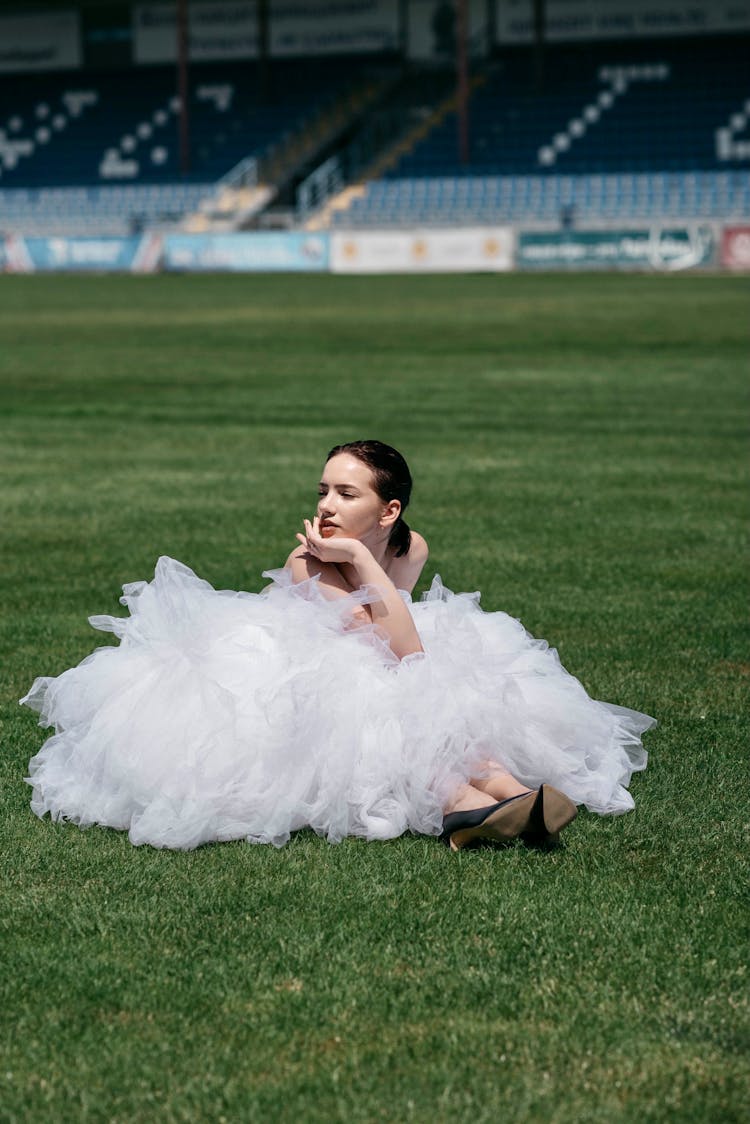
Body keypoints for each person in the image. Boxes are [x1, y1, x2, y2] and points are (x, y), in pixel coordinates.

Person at [20, 440, 653, 852]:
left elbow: (403, 644)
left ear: (389, 511)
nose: (325, 504)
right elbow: (383, 651)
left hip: (385, 649)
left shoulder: (411, 547)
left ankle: (511, 793)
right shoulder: (309, 562)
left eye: (346, 494)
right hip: (294, 669)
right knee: (377, 705)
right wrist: (347, 555)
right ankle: (463, 805)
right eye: (322, 490)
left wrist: (365, 562)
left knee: (443, 684)